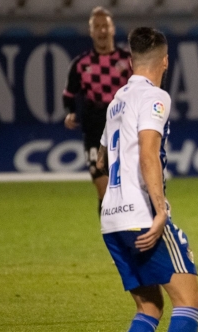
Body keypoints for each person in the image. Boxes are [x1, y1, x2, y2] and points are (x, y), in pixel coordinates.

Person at [96, 27, 198, 332]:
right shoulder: (156, 97)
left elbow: (100, 158)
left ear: (129, 61)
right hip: (140, 214)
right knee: (189, 300)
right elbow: (147, 153)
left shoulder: (116, 101)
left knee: (150, 305)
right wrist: (160, 211)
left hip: (111, 218)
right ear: (166, 61)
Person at [63, 6, 132, 214]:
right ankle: (112, 239)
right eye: (97, 27)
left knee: (126, 189)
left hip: (124, 131)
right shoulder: (81, 64)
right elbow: (69, 95)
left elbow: (142, 90)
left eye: (105, 26)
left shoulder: (128, 61)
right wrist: (71, 112)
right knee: (103, 188)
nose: (102, 31)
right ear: (91, 31)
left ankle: (128, 234)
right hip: (95, 132)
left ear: (112, 29)